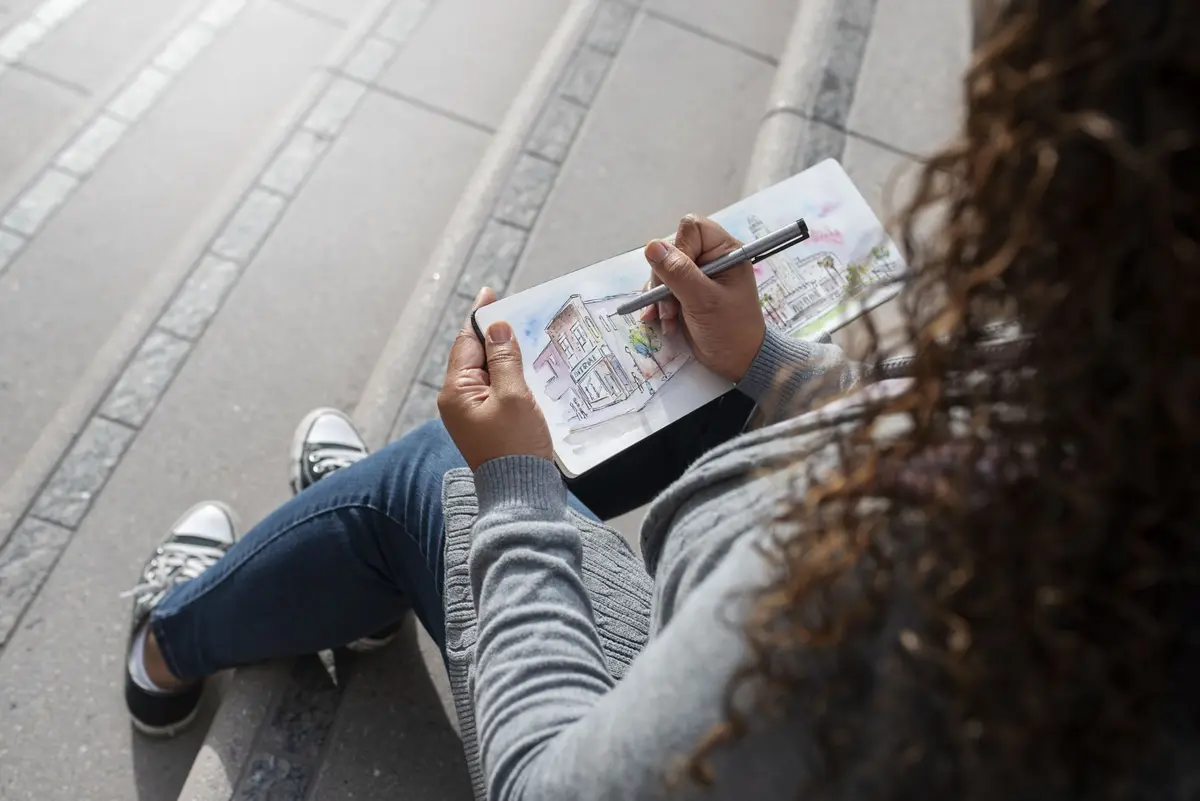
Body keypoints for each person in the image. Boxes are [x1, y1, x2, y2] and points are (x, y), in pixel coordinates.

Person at [124, 0, 1199, 798]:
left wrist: (514, 491)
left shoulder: (898, 574)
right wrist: (771, 364)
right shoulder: (1134, 418)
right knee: (661, 390)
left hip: (731, 723)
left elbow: (551, 784)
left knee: (437, 471)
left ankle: (170, 643)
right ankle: (358, 562)